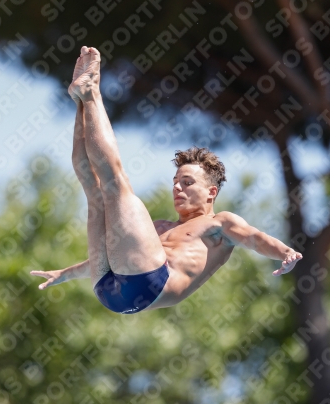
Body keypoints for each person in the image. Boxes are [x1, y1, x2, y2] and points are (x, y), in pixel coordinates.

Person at [31, 46, 303, 314]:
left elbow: (254, 238)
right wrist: (64, 274)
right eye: (176, 181)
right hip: (108, 288)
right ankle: (80, 101)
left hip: (150, 285)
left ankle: (91, 93)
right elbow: (117, 255)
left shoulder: (219, 224)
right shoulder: (160, 229)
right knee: (95, 190)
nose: (176, 187)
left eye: (187, 182)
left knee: (116, 184)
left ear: (211, 193)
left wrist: (285, 252)